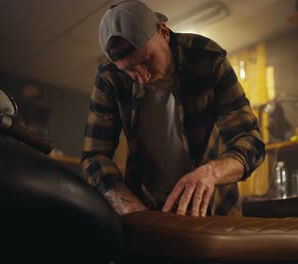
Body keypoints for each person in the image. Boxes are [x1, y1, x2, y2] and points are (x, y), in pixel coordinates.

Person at [81, 0, 265, 217]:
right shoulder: (109, 77)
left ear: (163, 32)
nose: (143, 77)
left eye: (147, 60)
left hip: (215, 207)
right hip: (145, 208)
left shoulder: (207, 58)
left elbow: (250, 141)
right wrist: (124, 202)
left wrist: (210, 173)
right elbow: (94, 156)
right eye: (129, 70)